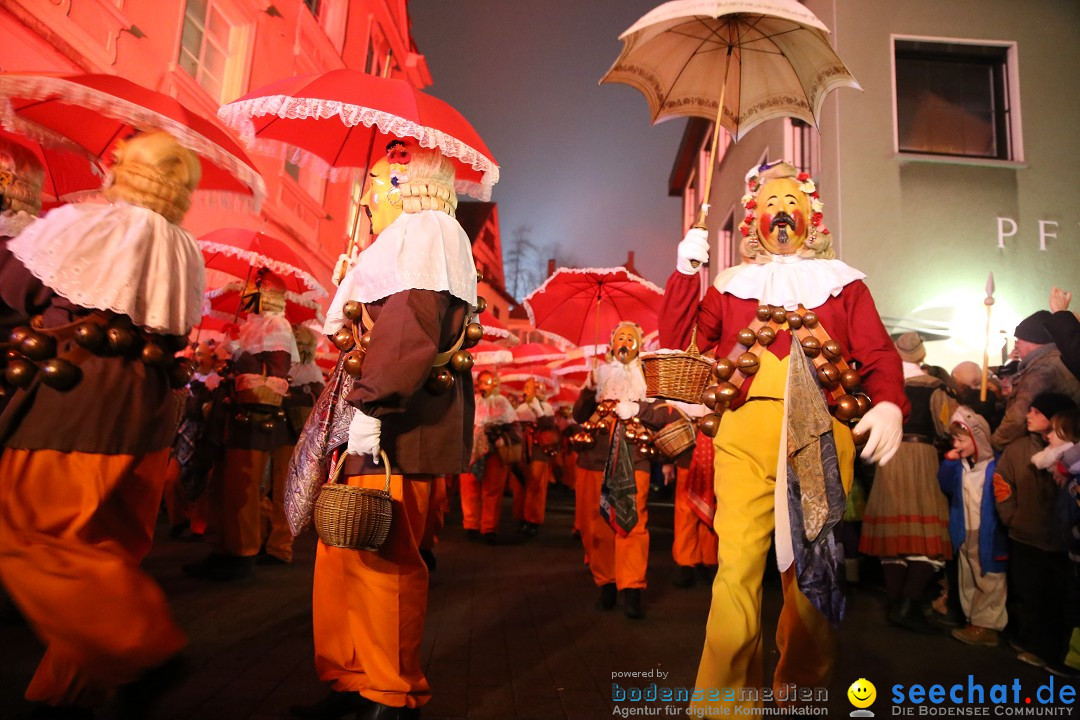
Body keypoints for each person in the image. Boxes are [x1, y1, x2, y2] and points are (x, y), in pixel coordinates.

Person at [661, 161, 906, 715]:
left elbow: (877, 354)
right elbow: (679, 346)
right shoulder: (730, 285)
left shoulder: (843, 284)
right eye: (769, 203)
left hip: (821, 436)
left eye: (791, 201)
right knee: (736, 570)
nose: (780, 212)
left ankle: (800, 693)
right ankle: (723, 704)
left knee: (813, 572)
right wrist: (685, 275)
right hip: (744, 438)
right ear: (754, 218)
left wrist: (889, 400)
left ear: (810, 215)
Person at [0, 129, 202, 716]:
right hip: (146, 406)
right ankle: (65, 691)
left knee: (30, 532)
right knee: (105, 550)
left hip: (80, 402)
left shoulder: (95, 222)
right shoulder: (180, 244)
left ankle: (144, 650)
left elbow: (18, 285)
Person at [287, 140, 477, 720]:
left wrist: (370, 409)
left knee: (383, 560)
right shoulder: (402, 241)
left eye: (374, 183)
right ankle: (350, 677)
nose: (366, 197)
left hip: (393, 424)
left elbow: (407, 330)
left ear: (402, 185)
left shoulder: (427, 235)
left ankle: (391, 691)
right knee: (343, 553)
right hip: (371, 418)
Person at [185, 269, 298, 581]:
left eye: (251, 291)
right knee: (222, 483)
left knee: (244, 486)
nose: (245, 296)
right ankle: (221, 547)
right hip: (232, 411)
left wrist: (236, 350)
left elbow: (275, 372)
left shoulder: (278, 326)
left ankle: (244, 551)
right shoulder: (252, 325)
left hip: (256, 416)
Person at [573, 321, 673, 619]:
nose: (625, 341)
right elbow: (580, 415)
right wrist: (589, 389)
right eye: (620, 336)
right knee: (598, 524)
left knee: (634, 522)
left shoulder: (648, 377)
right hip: (595, 458)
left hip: (634, 457)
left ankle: (632, 587)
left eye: (631, 337)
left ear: (639, 346)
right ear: (611, 344)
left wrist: (639, 410)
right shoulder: (599, 373)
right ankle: (606, 582)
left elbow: (663, 415)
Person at [860, 332, 954, 633]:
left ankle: (895, 601)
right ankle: (908, 605)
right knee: (924, 531)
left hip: (889, 453)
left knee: (894, 533)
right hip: (921, 457)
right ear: (922, 356)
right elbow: (948, 425)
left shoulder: (885, 386)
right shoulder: (935, 387)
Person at [994, 392, 1077, 676]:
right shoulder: (1018, 449)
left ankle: (1052, 649)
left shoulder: (1071, 455)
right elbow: (1002, 482)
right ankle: (1031, 642)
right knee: (1028, 593)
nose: (1029, 415)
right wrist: (1011, 517)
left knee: (1059, 598)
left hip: (1060, 542)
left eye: (1037, 412)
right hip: (1025, 535)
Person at [938, 407, 1008, 647]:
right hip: (964, 531)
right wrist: (948, 463)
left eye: (961, 439)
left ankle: (987, 626)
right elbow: (945, 485)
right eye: (954, 439)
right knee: (967, 575)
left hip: (988, 533)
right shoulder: (961, 466)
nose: (956, 443)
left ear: (977, 439)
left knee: (989, 579)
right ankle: (972, 620)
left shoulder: (995, 466)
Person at [261, 324, 324, 564]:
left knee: (281, 491)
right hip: (277, 434)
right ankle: (268, 540)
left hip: (290, 436)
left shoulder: (308, 372)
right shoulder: (295, 369)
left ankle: (280, 547)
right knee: (267, 488)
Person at [991, 311, 1080, 450]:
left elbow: (1018, 417)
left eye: (1018, 340)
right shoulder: (1050, 360)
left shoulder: (1042, 369)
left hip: (1047, 447)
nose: (1016, 346)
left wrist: (995, 443)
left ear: (1032, 341)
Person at [460, 369, 520, 544]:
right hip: (471, 451)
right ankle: (471, 523)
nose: (483, 385)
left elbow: (514, 428)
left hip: (494, 452)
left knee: (492, 490)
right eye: (481, 382)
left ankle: (489, 527)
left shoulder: (502, 402)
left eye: (488, 381)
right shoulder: (472, 400)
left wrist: (500, 436)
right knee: (469, 487)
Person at [515, 376, 558, 536]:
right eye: (526, 387)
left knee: (536, 484)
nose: (527, 391)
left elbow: (547, 425)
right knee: (522, 483)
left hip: (539, 448)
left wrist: (537, 408)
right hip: (524, 448)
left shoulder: (546, 406)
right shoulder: (521, 407)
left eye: (531, 388)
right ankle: (522, 515)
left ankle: (533, 518)